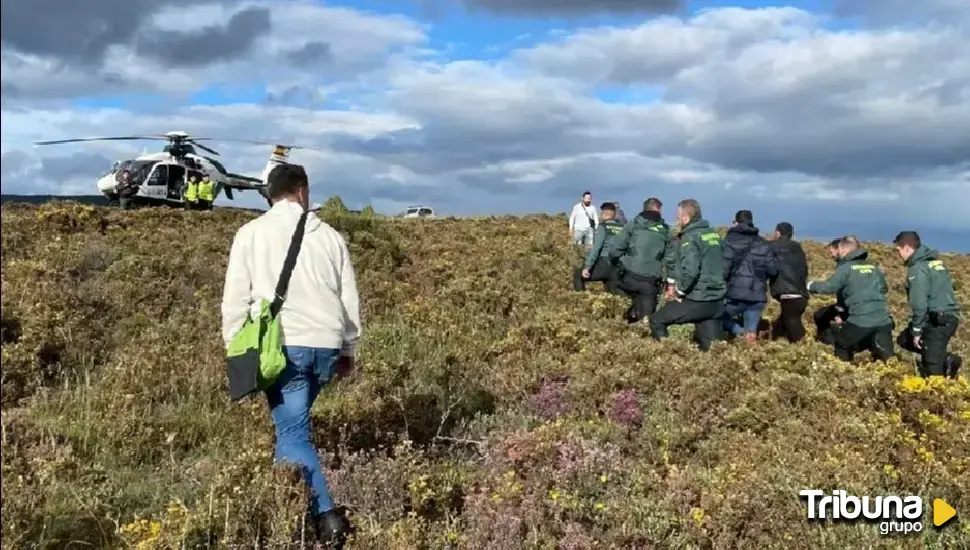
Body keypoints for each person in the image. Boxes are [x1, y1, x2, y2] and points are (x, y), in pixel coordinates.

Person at [220, 163, 359, 546]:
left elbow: (235, 298)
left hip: (283, 346)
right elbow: (349, 298)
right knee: (291, 430)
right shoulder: (331, 237)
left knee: (293, 432)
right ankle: (287, 504)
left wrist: (236, 346)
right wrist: (349, 347)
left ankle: (326, 517)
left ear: (271, 194)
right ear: (302, 190)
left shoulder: (250, 234)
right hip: (327, 345)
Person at [649, 199, 726, 351]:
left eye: (678, 217)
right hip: (716, 300)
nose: (677, 220)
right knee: (712, 350)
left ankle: (667, 359)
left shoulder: (689, 238)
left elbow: (691, 271)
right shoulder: (713, 235)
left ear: (685, 218)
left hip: (698, 298)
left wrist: (679, 291)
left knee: (657, 320)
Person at [807, 236, 894, 362]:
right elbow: (884, 289)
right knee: (888, 357)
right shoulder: (873, 267)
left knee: (842, 344)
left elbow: (828, 287)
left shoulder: (846, 268)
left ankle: (844, 372)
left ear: (843, 250)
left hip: (860, 320)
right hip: (884, 320)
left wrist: (809, 285)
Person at [892, 231, 962, 378]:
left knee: (931, 365)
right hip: (947, 316)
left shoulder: (918, 269)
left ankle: (937, 394)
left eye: (898, 249)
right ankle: (946, 358)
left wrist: (917, 330)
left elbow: (919, 303)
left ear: (906, 247)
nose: (898, 254)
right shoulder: (935, 263)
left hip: (939, 319)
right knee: (905, 339)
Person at [610, 197, 674, 322]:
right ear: (659, 210)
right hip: (650, 281)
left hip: (629, 276)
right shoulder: (666, 230)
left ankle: (624, 321)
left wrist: (619, 262)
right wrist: (670, 283)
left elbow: (615, 248)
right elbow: (671, 259)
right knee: (647, 319)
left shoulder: (633, 224)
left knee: (619, 308)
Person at [721, 210, 778, 343]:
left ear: (735, 222)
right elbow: (773, 270)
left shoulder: (729, 241)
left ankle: (739, 333)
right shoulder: (764, 244)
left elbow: (724, 270)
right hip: (757, 296)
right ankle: (750, 353)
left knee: (717, 318)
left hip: (734, 295)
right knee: (751, 334)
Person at [768, 222, 809, 343]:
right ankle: (775, 343)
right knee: (784, 321)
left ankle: (805, 348)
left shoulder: (771, 246)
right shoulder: (797, 247)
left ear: (777, 232)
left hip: (787, 292)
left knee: (791, 320)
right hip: (801, 291)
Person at [573, 202, 625, 294]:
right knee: (612, 294)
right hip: (618, 265)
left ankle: (582, 300)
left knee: (578, 275)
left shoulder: (603, 227)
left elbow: (596, 248)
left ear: (604, 214)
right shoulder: (623, 228)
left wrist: (587, 266)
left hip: (604, 263)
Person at [812, 238, 850, 344]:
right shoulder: (846, 264)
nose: (831, 255)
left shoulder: (845, 266)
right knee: (821, 315)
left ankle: (829, 343)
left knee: (821, 316)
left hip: (849, 306)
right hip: (847, 305)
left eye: (831, 251)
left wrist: (811, 286)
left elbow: (830, 287)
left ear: (838, 249)